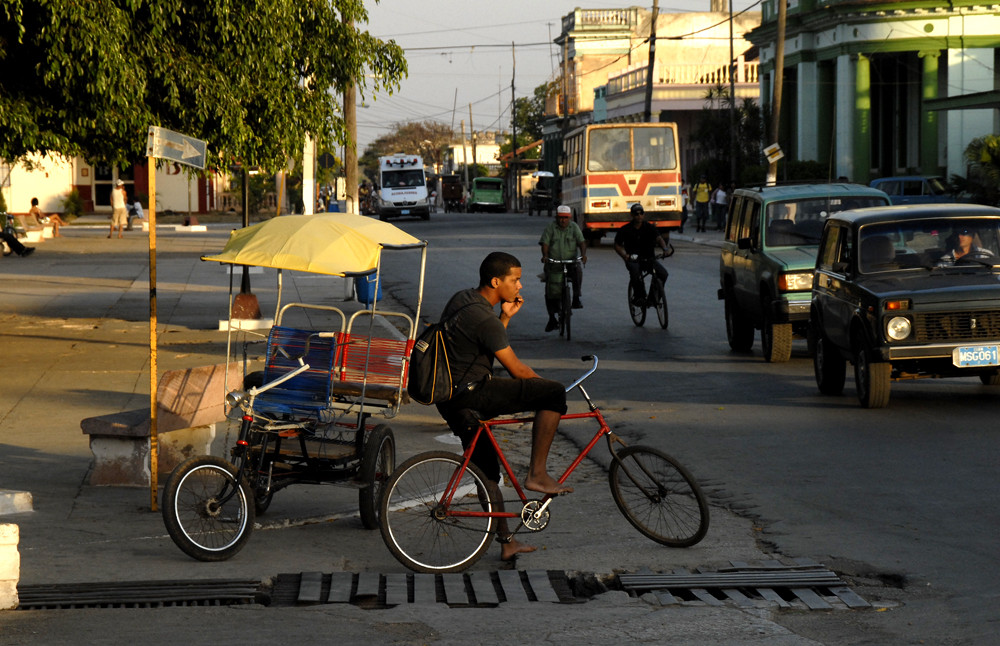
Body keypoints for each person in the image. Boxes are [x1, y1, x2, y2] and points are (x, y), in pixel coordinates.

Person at [436, 251, 573, 561]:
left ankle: (507, 543)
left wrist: (506, 318)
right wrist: (545, 392)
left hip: (451, 398)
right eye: (515, 280)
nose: (520, 286)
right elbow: (519, 372)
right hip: (472, 395)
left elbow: (480, 341)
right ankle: (537, 473)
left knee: (489, 475)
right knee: (553, 394)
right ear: (496, 281)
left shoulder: (464, 299)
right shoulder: (486, 320)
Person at [539, 205, 587, 331]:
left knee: (578, 271)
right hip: (554, 263)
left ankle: (576, 298)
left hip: (570, 261)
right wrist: (545, 256)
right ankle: (551, 318)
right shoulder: (551, 228)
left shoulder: (574, 227)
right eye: (560, 218)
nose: (563, 220)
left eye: (565, 218)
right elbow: (545, 243)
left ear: (569, 218)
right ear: (556, 218)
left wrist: (583, 255)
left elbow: (581, 242)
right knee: (550, 290)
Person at [614, 204, 670, 305]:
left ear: (644, 215)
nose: (639, 216)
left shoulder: (649, 227)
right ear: (632, 215)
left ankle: (653, 299)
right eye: (636, 214)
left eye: (641, 214)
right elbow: (617, 245)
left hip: (649, 259)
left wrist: (665, 249)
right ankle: (639, 297)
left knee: (663, 274)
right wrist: (624, 256)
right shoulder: (625, 229)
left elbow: (659, 238)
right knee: (635, 273)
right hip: (633, 259)